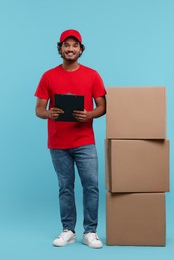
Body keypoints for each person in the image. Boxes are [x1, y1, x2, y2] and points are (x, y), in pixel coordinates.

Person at [34, 29, 106, 249]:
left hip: (84, 140)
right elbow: (38, 109)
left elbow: (102, 106)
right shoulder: (48, 76)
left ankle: (90, 232)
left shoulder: (92, 75)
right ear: (60, 49)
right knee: (65, 187)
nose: (70, 49)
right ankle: (68, 230)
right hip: (58, 143)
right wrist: (49, 113)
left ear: (80, 50)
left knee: (91, 186)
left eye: (75, 45)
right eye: (66, 45)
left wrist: (89, 114)